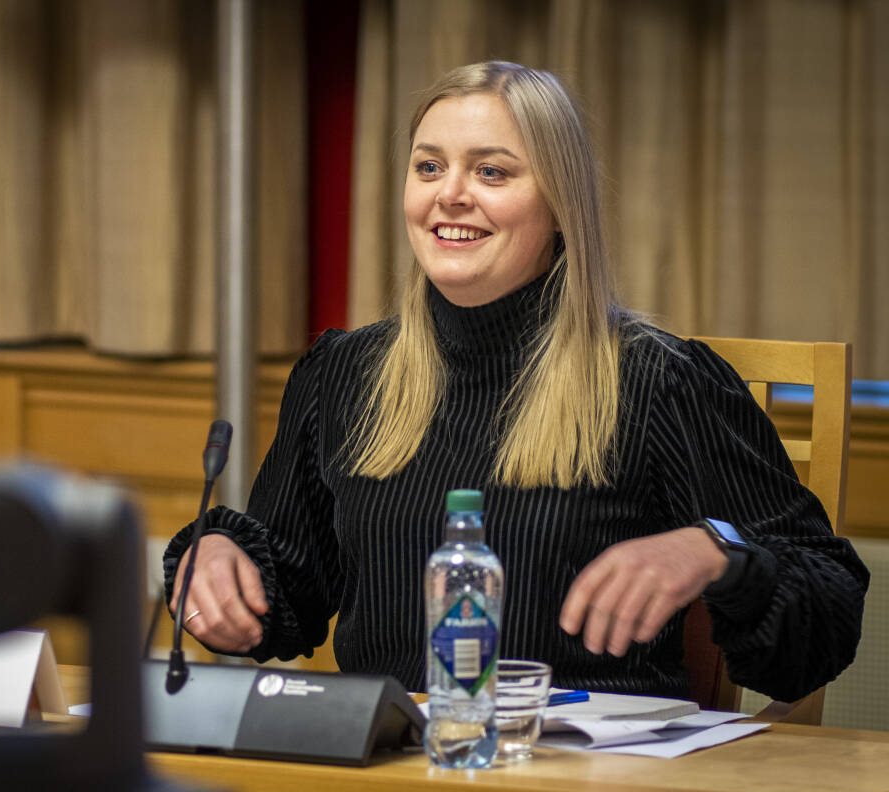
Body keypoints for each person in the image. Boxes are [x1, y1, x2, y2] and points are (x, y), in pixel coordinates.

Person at [163, 60, 868, 700]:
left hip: (591, 786)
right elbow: (285, 598)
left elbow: (825, 617)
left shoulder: (662, 381)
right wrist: (219, 564)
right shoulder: (342, 376)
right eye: (429, 167)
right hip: (394, 779)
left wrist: (720, 550)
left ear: (560, 204)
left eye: (492, 172)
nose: (451, 196)